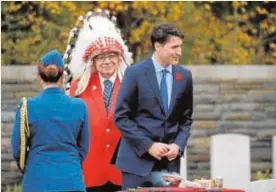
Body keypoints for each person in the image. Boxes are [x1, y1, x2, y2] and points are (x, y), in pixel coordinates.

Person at [114, 23, 194, 189]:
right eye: (174, 47)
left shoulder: (185, 76)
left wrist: (178, 146)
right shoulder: (135, 73)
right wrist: (148, 146)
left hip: (169, 167)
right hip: (136, 164)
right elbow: (121, 117)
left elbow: (186, 119)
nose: (179, 52)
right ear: (158, 46)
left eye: (180, 46)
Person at [68, 11, 133, 192]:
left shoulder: (132, 87)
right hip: (89, 170)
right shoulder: (78, 88)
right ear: (93, 62)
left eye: (111, 56)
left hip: (122, 170)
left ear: (120, 59)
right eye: (101, 57)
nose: (107, 61)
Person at [11, 49, 90, 192]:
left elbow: (18, 149)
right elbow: (84, 146)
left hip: (37, 180)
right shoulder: (80, 106)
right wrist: (70, 164)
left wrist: (30, 167)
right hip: (71, 179)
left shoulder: (27, 106)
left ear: (38, 76)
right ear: (63, 77)